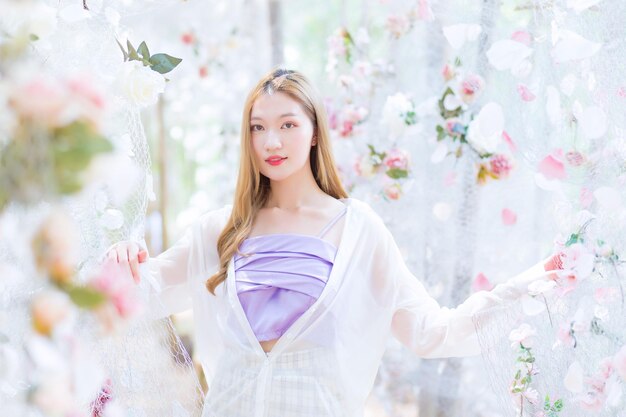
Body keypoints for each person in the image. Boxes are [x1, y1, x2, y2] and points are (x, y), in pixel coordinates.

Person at [107, 68, 556, 417]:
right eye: (257, 127)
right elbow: (137, 292)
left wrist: (537, 286)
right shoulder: (220, 230)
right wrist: (120, 257)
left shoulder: (358, 231)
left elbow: (432, 332)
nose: (272, 141)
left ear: (315, 131)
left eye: (287, 124)